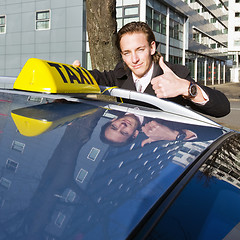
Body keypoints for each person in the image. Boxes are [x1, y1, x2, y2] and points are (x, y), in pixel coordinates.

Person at [73, 21, 230, 118]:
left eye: (140, 49)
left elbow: (222, 108)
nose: (134, 60)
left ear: (152, 47)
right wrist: (73, 73)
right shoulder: (121, 73)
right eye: (127, 53)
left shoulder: (174, 74)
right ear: (122, 55)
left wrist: (186, 88)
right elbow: (98, 77)